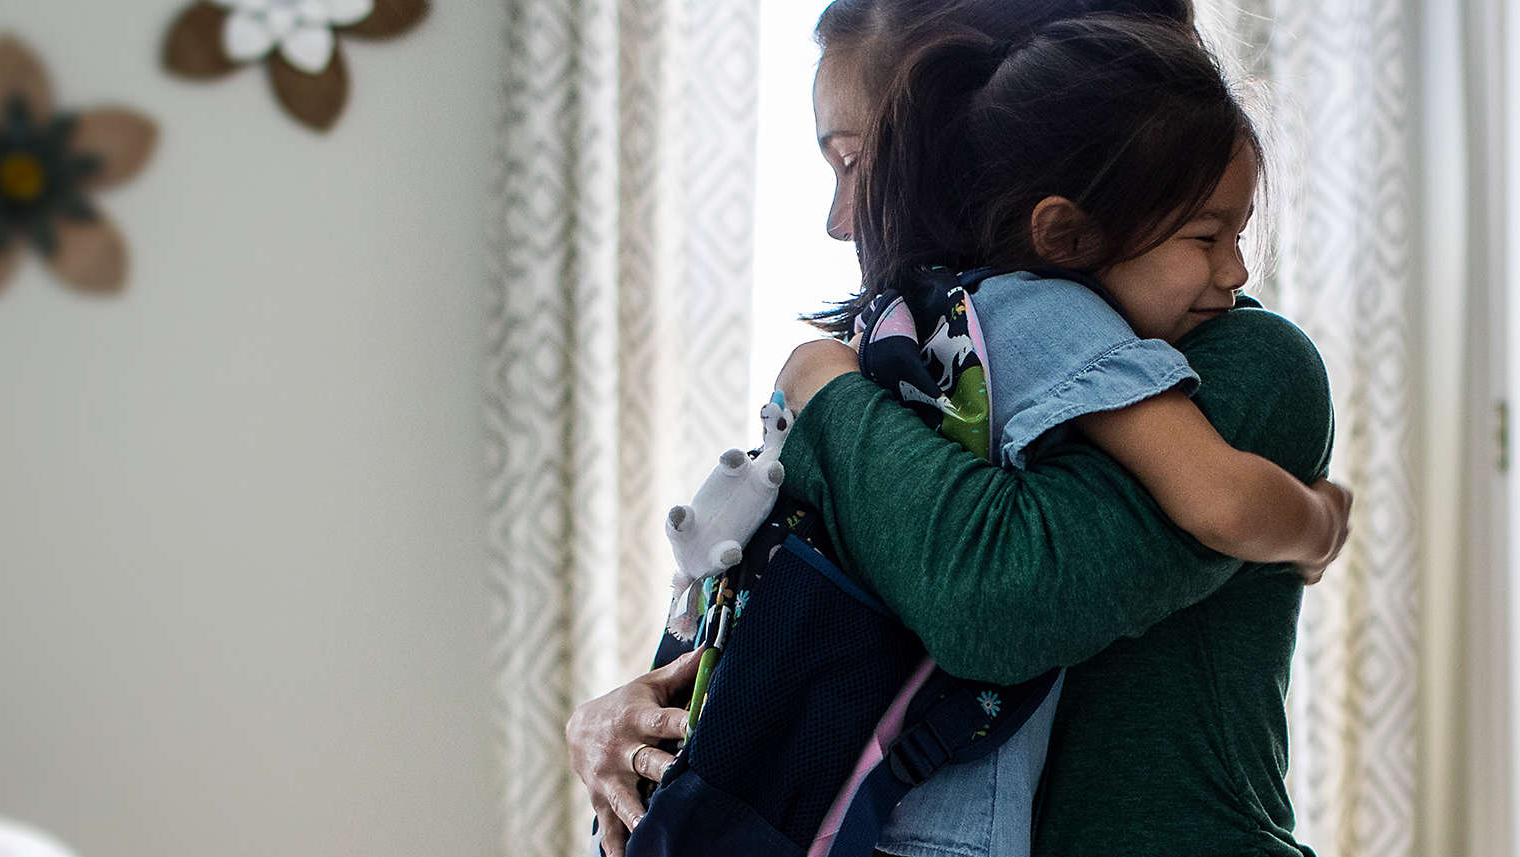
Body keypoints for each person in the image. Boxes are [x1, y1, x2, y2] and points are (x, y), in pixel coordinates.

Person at [566, 2, 1348, 856]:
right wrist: (634, 719)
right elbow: (787, 591)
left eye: (854, 159)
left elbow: (994, 604)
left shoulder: (1247, 364)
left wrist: (823, 388)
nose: (838, 218)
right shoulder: (922, 371)